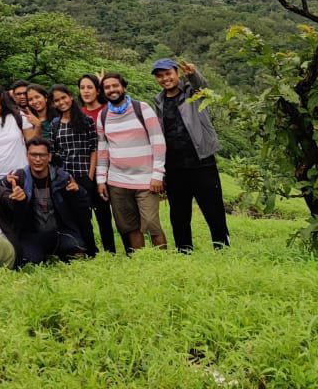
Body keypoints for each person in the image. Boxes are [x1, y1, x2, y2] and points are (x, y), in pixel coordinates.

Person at [152, 58, 230, 251]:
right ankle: (184, 251)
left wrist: (193, 74)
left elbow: (202, 86)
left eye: (168, 74)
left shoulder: (193, 93)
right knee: (179, 214)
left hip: (202, 162)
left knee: (214, 211)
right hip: (174, 166)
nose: (165, 79)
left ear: (176, 74)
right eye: (160, 76)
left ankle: (222, 249)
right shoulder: (159, 101)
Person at [96, 72, 167, 252]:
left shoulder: (142, 109)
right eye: (107, 87)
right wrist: (100, 180)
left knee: (152, 224)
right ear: (103, 92)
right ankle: (141, 263)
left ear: (124, 87)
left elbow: (158, 141)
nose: (112, 90)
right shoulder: (103, 116)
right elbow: (102, 150)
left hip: (146, 180)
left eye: (115, 86)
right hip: (117, 181)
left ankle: (165, 261)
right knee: (130, 227)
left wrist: (158, 175)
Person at [6, 139, 91, 265]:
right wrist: (11, 192)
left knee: (77, 255)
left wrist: (77, 192)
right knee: (30, 262)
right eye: (33, 155)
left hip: (60, 232)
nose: (38, 159)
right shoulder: (18, 179)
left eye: (42, 155)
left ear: (49, 156)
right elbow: (6, 209)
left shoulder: (63, 178)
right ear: (27, 156)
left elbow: (84, 208)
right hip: (31, 235)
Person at [50, 84, 112, 254]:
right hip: (67, 179)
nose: (61, 102)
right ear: (54, 104)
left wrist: (90, 176)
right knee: (80, 217)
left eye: (63, 97)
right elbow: (55, 153)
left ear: (70, 96)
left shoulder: (86, 120)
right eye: (57, 100)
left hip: (86, 175)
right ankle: (89, 250)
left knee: (102, 214)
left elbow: (94, 149)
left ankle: (110, 250)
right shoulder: (55, 124)